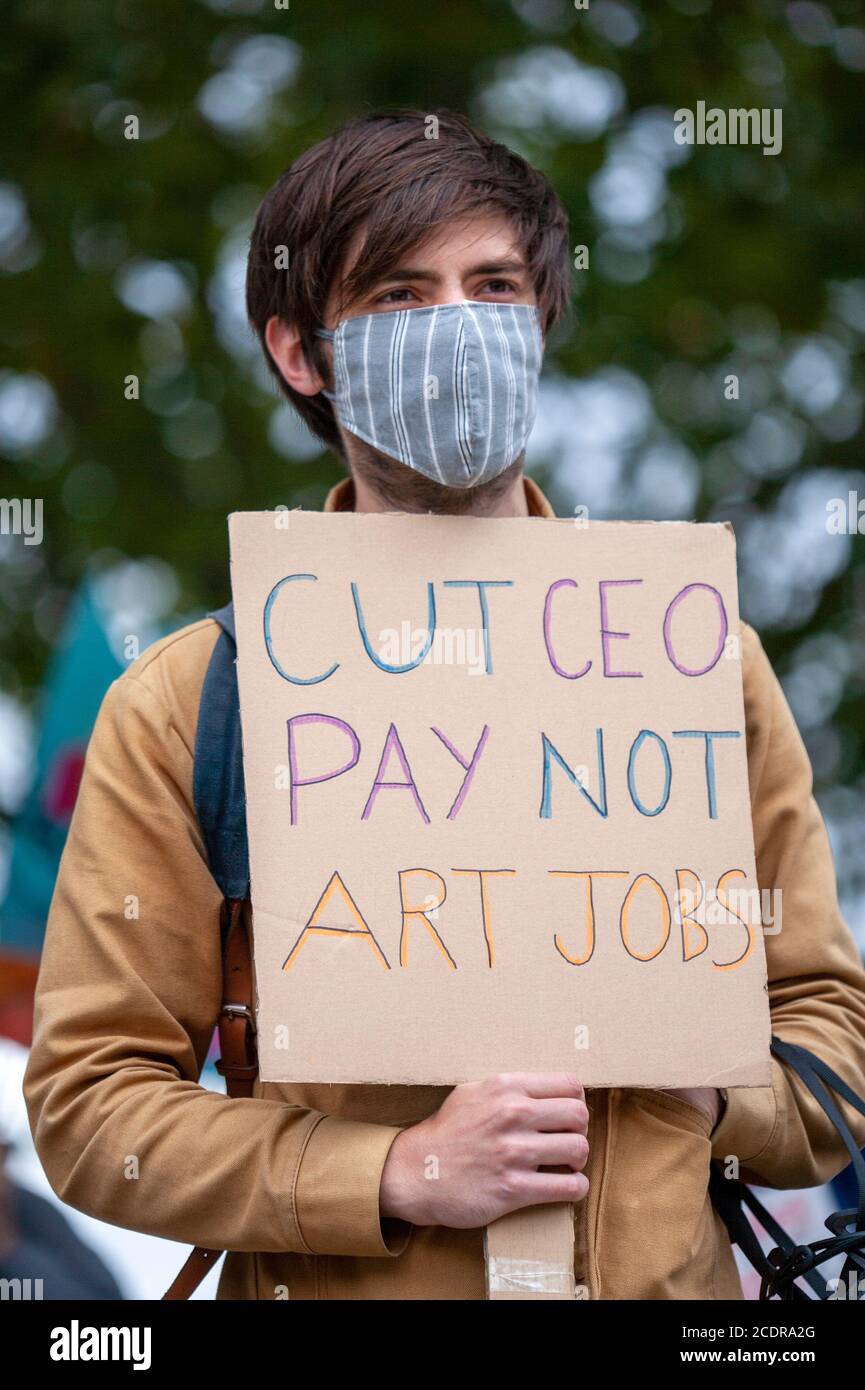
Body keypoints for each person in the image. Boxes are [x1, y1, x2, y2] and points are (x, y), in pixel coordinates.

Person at [23, 109, 865, 1300]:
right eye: (402, 296)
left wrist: (720, 1089)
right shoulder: (194, 702)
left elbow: (833, 1034)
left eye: (494, 284)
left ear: (540, 320)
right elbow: (90, 1106)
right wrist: (390, 1171)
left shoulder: (697, 663)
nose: (458, 328)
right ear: (302, 353)